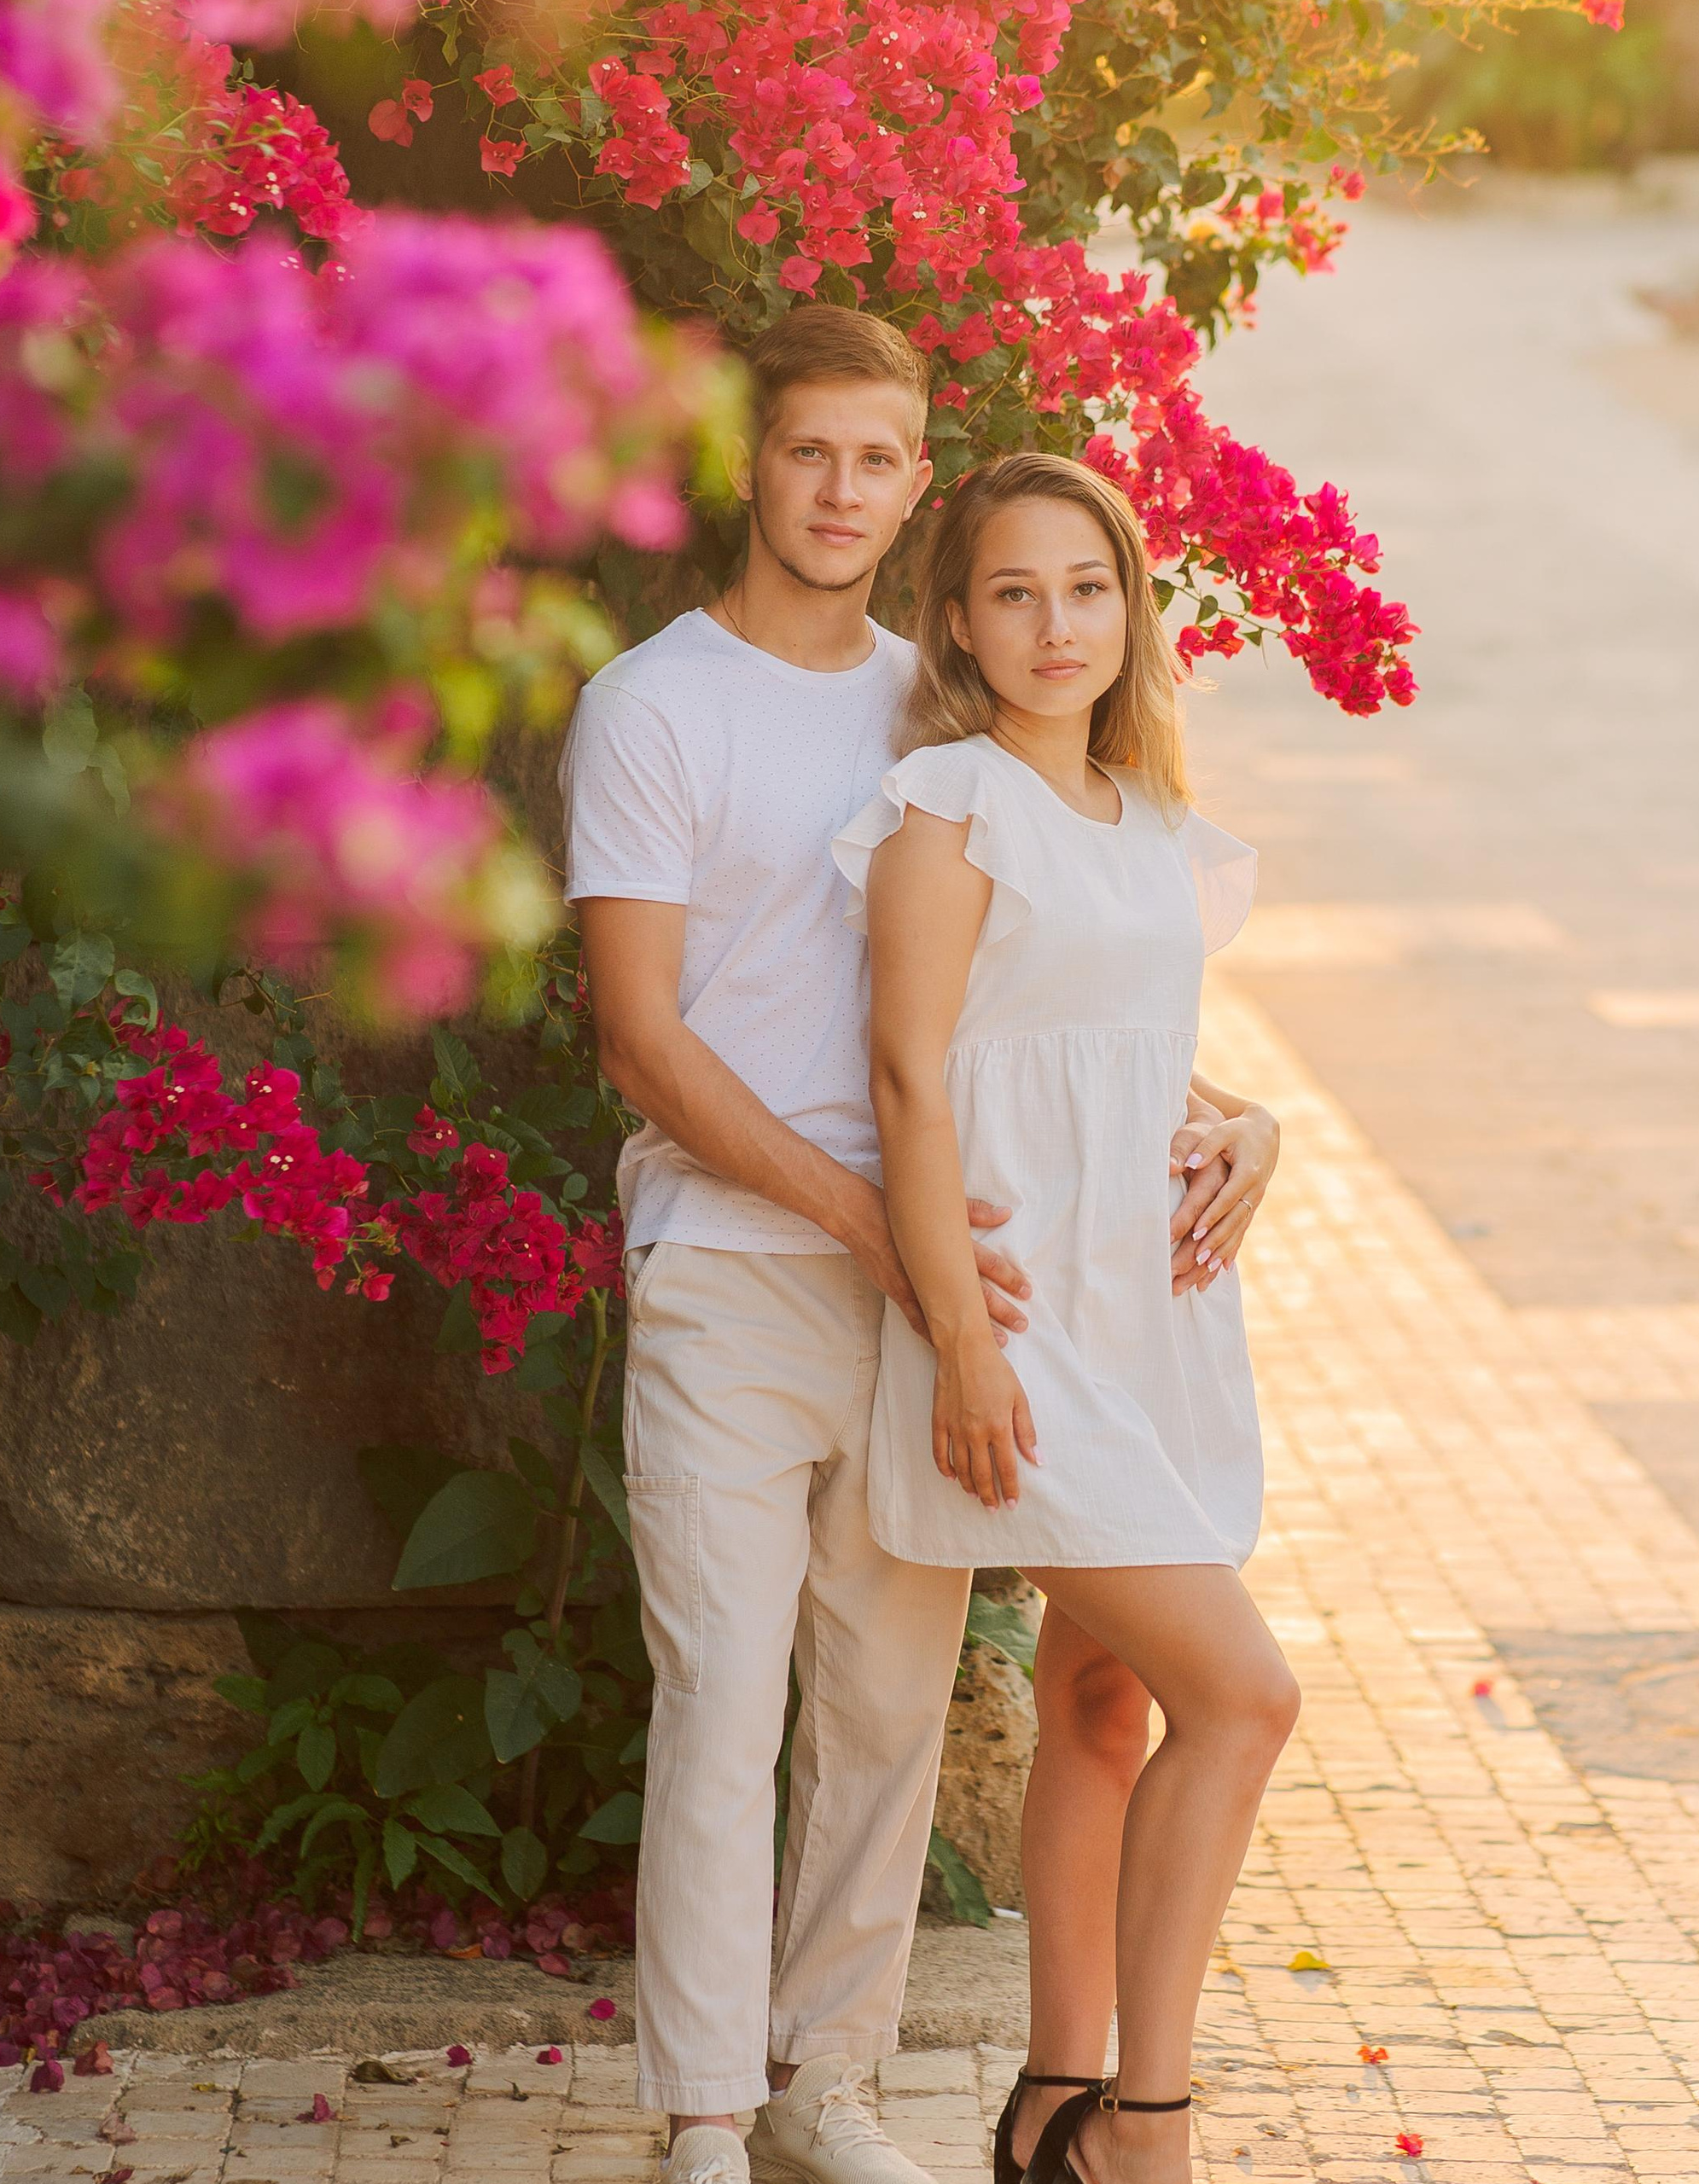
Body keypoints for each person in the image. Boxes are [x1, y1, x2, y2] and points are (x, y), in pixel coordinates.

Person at [562, 311, 1249, 2184]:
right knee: (721, 1692)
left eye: (878, 462)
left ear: (912, 487)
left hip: (939, 1285)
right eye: (810, 456)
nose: (843, 492)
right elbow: (639, 1036)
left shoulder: (939, 710)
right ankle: (703, 2105)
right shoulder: (651, 704)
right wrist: (885, 1228)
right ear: (749, 465)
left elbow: (1065, 989)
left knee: (880, 1706)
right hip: (739, 1257)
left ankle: (826, 2084)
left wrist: (1230, 1117)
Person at [832, 452, 1296, 2184]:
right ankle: (1145, 2127)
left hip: (1153, 1327)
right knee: (1243, 1697)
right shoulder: (946, 803)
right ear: (955, 619)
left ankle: (1048, 2096)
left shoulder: (1151, 821)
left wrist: (1253, 1120)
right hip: (1019, 1333)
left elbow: (1121, 1056)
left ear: (1129, 612)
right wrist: (957, 1339)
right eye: (1013, 591)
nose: (1052, 623)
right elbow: (909, 1075)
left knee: (1107, 1708)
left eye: (1084, 588)